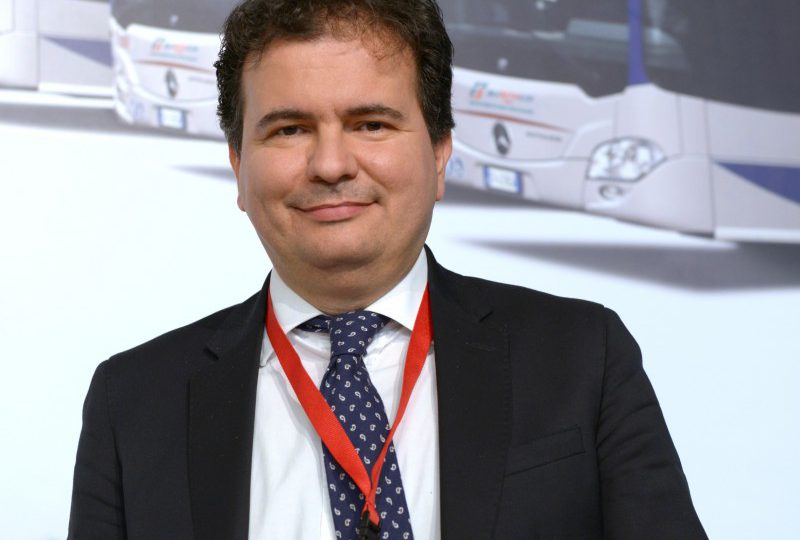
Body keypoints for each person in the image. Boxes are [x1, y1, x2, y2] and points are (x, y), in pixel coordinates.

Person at [68, 1, 707, 539]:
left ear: (440, 152)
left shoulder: (582, 357)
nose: (330, 165)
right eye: (289, 130)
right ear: (238, 167)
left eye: (370, 124)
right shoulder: (134, 403)